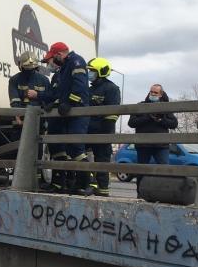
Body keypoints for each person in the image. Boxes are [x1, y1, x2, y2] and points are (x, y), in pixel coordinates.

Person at [38, 42, 95, 195]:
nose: (53, 61)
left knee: (76, 149)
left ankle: (90, 183)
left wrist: (70, 102)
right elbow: (62, 92)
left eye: (54, 57)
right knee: (71, 148)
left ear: (60, 54)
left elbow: (80, 85)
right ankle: (79, 183)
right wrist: (56, 104)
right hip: (70, 112)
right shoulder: (65, 68)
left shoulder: (76, 61)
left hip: (78, 111)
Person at [127, 84, 178, 194]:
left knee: (164, 169)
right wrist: (148, 117)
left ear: (161, 94)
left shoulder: (166, 107)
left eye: (156, 93)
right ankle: (140, 194)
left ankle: (165, 193)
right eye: (152, 92)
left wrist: (160, 120)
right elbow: (131, 123)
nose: (153, 94)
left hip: (161, 145)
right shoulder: (141, 106)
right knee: (141, 170)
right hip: (143, 144)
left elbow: (174, 124)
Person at [86, 58, 121, 197]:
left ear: (100, 71)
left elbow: (112, 114)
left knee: (102, 162)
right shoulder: (90, 89)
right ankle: (90, 184)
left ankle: (103, 191)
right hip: (88, 131)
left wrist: (105, 134)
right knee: (78, 155)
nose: (90, 73)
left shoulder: (111, 88)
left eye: (92, 70)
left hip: (103, 131)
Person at [8, 51, 51, 156]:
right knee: (18, 151)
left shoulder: (43, 80)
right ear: (21, 67)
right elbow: (14, 99)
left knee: (37, 152)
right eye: (26, 68)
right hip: (20, 121)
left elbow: (49, 101)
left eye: (31, 69)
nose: (28, 71)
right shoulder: (15, 80)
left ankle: (38, 173)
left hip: (38, 121)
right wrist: (17, 115)